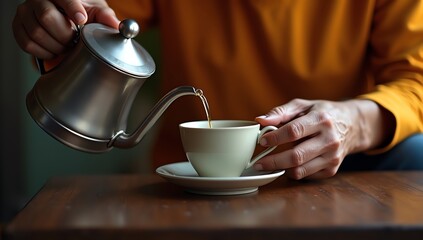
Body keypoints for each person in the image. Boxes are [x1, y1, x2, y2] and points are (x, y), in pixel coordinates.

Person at [13, 0, 423, 180]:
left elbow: (415, 81)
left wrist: (355, 123)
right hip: (188, 170)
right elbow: (101, 22)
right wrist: (59, 23)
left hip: (334, 168)